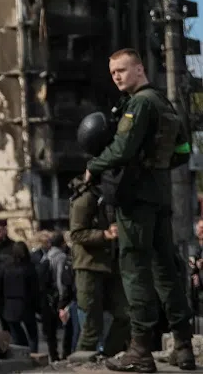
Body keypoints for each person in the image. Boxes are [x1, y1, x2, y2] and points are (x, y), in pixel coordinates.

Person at [84, 48, 195, 373]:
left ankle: (140, 351)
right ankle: (184, 346)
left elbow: (122, 148)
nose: (117, 76)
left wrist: (93, 166)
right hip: (160, 196)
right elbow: (184, 150)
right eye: (113, 72)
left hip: (136, 199)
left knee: (134, 268)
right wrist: (157, 167)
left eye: (121, 69)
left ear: (139, 69)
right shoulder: (164, 103)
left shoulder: (140, 104)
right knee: (166, 270)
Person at [67, 170, 130, 357]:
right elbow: (76, 233)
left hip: (110, 265)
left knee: (125, 315)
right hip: (89, 267)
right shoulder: (86, 199)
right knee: (91, 327)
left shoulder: (110, 199)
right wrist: (104, 235)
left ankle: (109, 356)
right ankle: (81, 364)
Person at [38, 231, 75, 361]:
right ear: (62, 243)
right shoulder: (61, 257)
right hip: (56, 298)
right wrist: (62, 300)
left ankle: (53, 356)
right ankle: (65, 354)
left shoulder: (46, 256)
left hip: (47, 298)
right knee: (67, 327)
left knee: (51, 331)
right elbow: (61, 280)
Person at [0, 241, 40, 353]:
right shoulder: (29, 267)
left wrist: (2, 305)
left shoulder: (5, 267)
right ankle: (33, 356)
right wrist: (38, 308)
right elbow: (35, 290)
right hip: (26, 305)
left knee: (17, 335)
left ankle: (23, 354)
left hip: (10, 306)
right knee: (32, 334)